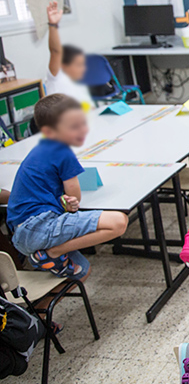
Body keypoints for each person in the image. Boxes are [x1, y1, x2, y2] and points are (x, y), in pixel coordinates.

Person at [6, 94, 128, 278]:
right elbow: (76, 197)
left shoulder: (42, 148)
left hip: (21, 232)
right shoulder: (61, 150)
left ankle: (41, 304)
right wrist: (70, 201)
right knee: (118, 222)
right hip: (38, 226)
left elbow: (67, 200)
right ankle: (51, 253)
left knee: (81, 271)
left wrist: (65, 202)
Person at [44, 1, 93, 109]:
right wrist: (53, 25)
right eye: (78, 65)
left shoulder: (78, 84)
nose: (83, 68)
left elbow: (88, 108)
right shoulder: (56, 78)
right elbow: (55, 51)